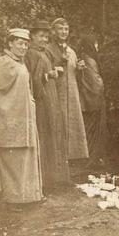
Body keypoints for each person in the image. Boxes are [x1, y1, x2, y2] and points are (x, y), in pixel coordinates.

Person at [0, 28, 43, 206]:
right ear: (10, 43)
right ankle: (13, 198)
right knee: (12, 159)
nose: (24, 47)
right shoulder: (4, 62)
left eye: (26, 44)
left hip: (24, 116)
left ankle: (26, 196)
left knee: (22, 158)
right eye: (20, 43)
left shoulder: (20, 63)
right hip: (11, 118)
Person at [24, 20, 70, 192]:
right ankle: (43, 182)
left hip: (50, 100)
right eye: (40, 36)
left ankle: (51, 180)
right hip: (42, 102)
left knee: (51, 137)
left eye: (45, 36)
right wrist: (48, 76)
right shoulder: (32, 54)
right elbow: (33, 80)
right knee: (43, 138)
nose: (44, 39)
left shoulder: (43, 54)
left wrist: (53, 71)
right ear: (33, 37)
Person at [46, 18, 89, 167]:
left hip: (72, 93)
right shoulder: (48, 49)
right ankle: (59, 158)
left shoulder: (71, 51)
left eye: (66, 29)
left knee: (72, 123)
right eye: (60, 29)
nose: (63, 32)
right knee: (60, 122)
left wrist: (79, 68)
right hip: (57, 93)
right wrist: (60, 61)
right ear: (53, 31)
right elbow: (47, 71)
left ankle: (72, 157)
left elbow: (74, 74)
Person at [76, 34, 107, 169]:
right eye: (95, 45)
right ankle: (89, 161)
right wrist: (101, 89)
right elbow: (95, 82)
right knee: (91, 131)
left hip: (87, 100)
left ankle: (88, 160)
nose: (97, 47)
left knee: (89, 131)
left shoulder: (84, 58)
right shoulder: (89, 60)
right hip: (92, 101)